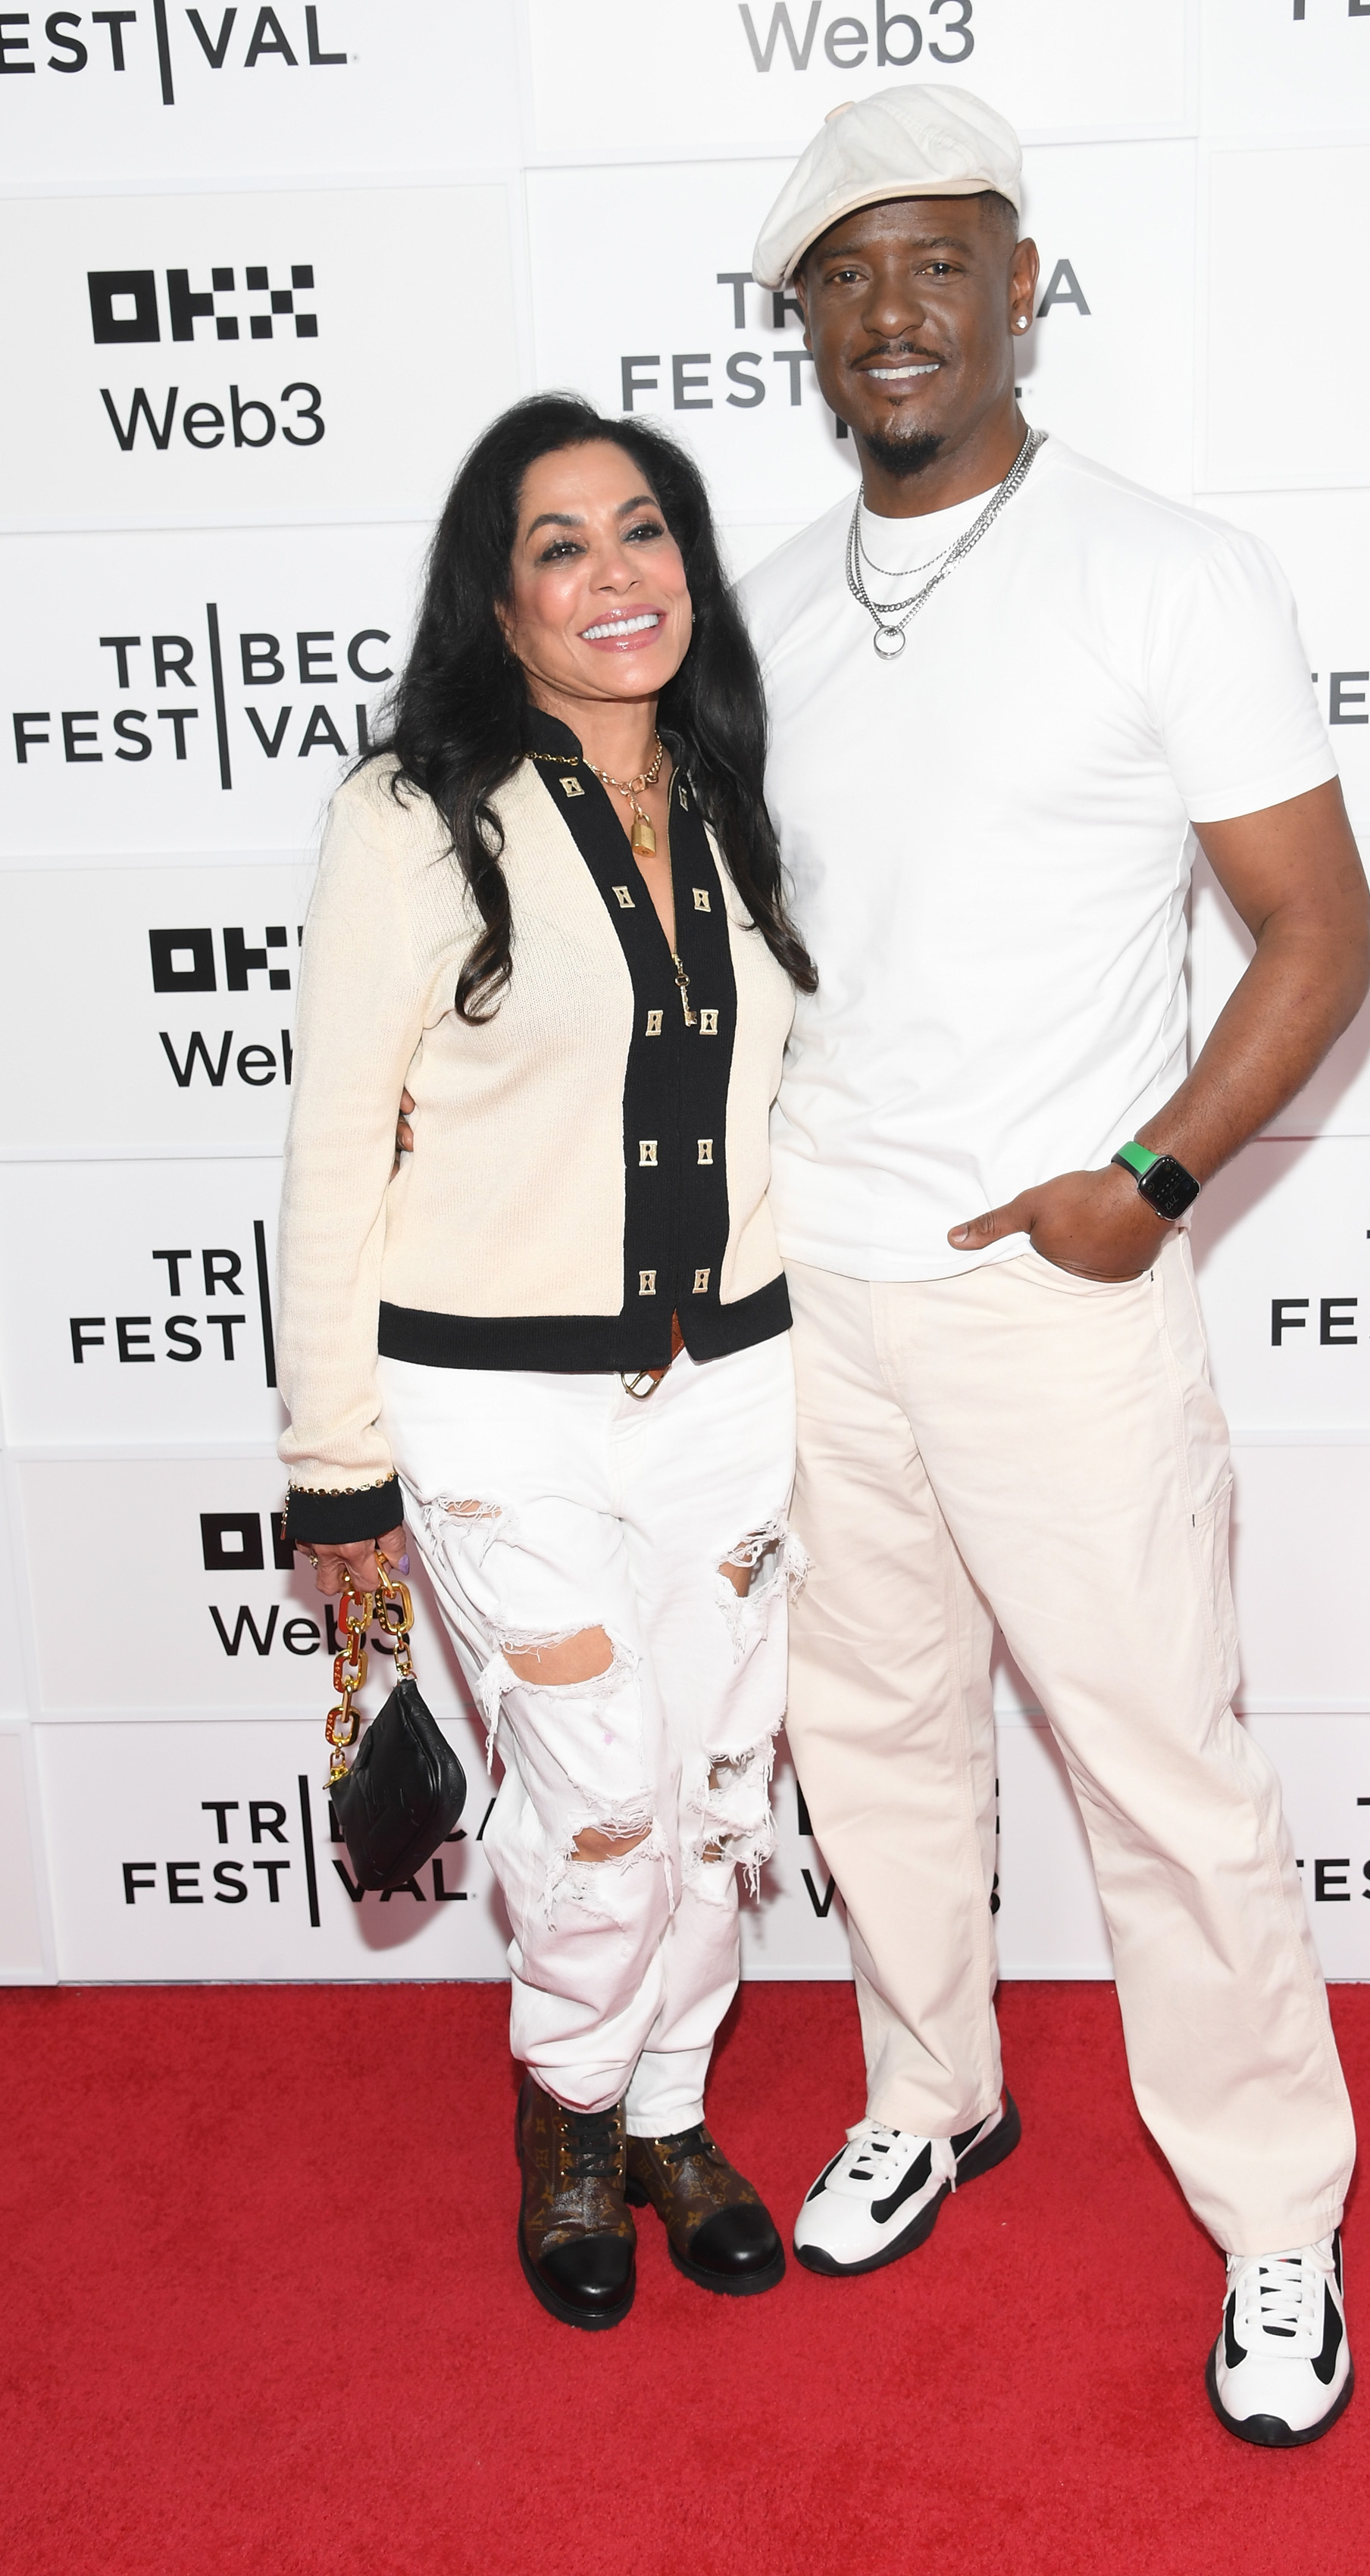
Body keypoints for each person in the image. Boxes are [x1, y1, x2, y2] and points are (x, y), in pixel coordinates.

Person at [738, 88, 1370, 2446]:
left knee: (1159, 1777)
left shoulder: (1164, 572)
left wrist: (1155, 1180)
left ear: (1020, 284)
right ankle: (932, 2089)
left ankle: (1279, 2218)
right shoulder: (773, 603)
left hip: (1054, 1291)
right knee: (868, 1741)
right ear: (801, 321)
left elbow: (1316, 937)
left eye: (935, 261)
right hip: (821, 1286)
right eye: (842, 272)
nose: (890, 311)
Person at [275, 393, 814, 2332]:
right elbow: (334, 1148)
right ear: (495, 603)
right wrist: (334, 1472)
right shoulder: (407, 811)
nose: (616, 574)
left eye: (644, 528)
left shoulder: (739, 785)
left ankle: (670, 2111)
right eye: (561, 544)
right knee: (595, 1789)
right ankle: (569, 2110)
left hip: (734, 1388)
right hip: (495, 1404)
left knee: (719, 1782)